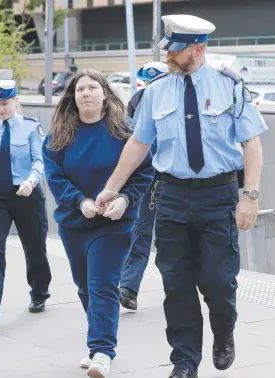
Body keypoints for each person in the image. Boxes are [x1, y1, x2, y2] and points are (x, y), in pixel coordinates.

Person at [96, 14, 268, 378]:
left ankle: (224, 331)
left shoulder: (229, 85)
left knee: (218, 282)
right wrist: (113, 186)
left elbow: (251, 142)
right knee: (175, 283)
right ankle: (184, 362)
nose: (168, 56)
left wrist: (249, 195)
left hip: (219, 194)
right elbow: (139, 143)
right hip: (172, 195)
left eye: (174, 50)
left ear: (198, 49)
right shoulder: (156, 90)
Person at [42, 69, 154, 378]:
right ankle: (96, 344)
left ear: (105, 93)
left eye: (93, 87)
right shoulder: (59, 135)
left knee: (102, 284)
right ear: (73, 97)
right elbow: (55, 176)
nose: (86, 93)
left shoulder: (124, 133)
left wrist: (125, 200)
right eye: (80, 89)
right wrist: (81, 201)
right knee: (83, 286)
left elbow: (144, 171)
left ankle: (103, 351)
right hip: (74, 223)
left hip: (114, 223)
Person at [0, 80, 52, 327]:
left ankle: (39, 292)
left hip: (27, 193)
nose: (0, 109)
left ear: (16, 101)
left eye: (5, 103)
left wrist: (32, 179)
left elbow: (40, 160)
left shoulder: (30, 127)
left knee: (34, 248)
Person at [120, 61, 168, 310]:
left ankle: (178, 288)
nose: (151, 86)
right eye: (148, 82)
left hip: (172, 179)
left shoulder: (177, 98)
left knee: (170, 237)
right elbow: (130, 138)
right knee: (140, 232)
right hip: (146, 177)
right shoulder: (137, 101)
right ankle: (128, 288)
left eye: (156, 81)